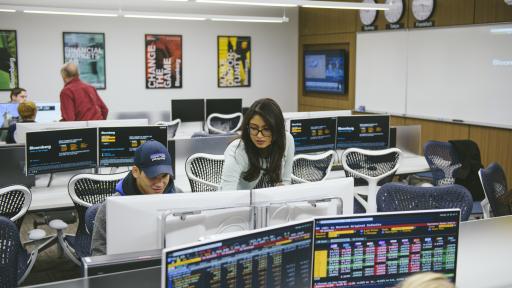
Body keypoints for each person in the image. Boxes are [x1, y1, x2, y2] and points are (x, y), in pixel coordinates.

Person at [91, 140, 182, 256]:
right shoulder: (111, 208)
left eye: (164, 176)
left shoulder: (179, 197)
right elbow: (98, 255)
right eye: (152, 176)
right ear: (135, 172)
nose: (160, 184)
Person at [220, 98, 294, 190]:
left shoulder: (287, 140)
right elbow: (226, 194)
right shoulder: (237, 150)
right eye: (254, 128)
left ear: (277, 129)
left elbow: (286, 181)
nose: (259, 136)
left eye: (266, 129)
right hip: (241, 202)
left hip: (273, 202)